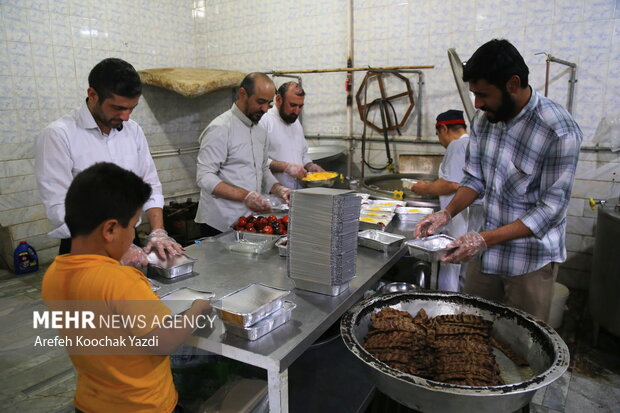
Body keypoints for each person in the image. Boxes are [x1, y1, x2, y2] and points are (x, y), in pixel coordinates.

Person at [415, 39, 582, 322]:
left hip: (528, 261)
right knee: (471, 329)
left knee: (521, 346)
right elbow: (474, 179)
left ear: (513, 84)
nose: (478, 104)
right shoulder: (484, 121)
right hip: (486, 256)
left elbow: (549, 211)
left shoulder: (558, 131)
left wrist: (482, 238)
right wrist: (447, 212)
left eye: (483, 95)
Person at [41, 162, 211, 413]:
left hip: (90, 402)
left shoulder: (53, 274)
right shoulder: (120, 280)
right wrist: (197, 309)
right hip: (142, 406)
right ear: (110, 229)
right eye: (133, 226)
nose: (133, 236)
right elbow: (164, 342)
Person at [35, 57, 182, 266]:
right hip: (85, 248)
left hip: (130, 242)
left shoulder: (133, 131)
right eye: (118, 108)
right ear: (93, 95)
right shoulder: (58, 135)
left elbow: (149, 183)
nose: (125, 117)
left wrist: (158, 231)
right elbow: (59, 207)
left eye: (131, 108)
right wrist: (112, 245)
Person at [195, 72, 291, 236]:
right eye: (260, 102)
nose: (264, 109)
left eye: (268, 104)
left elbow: (262, 169)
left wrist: (278, 189)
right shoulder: (221, 128)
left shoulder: (260, 131)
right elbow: (204, 177)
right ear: (242, 94)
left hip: (249, 222)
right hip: (219, 224)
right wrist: (246, 196)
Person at [410, 109, 483, 292]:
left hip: (459, 217)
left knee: (451, 262)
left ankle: (445, 305)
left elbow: (452, 184)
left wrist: (424, 188)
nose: (439, 140)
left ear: (444, 129)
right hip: (471, 216)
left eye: (437, 134)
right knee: (463, 266)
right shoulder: (473, 143)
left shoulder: (456, 146)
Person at [259, 81, 324, 189]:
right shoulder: (264, 121)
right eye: (293, 105)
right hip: (274, 196)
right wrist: (286, 167)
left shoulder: (295, 122)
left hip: (298, 193)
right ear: (279, 99)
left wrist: (310, 166)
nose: (297, 111)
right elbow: (257, 160)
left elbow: (302, 154)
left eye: (300, 106)